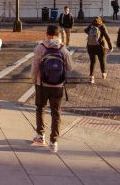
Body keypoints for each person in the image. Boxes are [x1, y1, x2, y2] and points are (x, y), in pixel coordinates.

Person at [31, 24, 73, 152]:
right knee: (56, 113)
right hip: (58, 86)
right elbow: (70, 68)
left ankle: (40, 135)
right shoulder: (63, 49)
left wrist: (34, 81)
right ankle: (53, 141)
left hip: (42, 84)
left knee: (40, 109)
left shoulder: (40, 48)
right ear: (58, 35)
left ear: (47, 34)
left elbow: (35, 68)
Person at [83, 16, 112, 83]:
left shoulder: (91, 26)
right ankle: (103, 73)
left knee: (93, 62)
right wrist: (110, 47)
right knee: (102, 60)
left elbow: (85, 30)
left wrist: (91, 26)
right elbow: (107, 37)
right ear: (100, 21)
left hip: (90, 46)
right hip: (100, 47)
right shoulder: (102, 26)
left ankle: (91, 77)